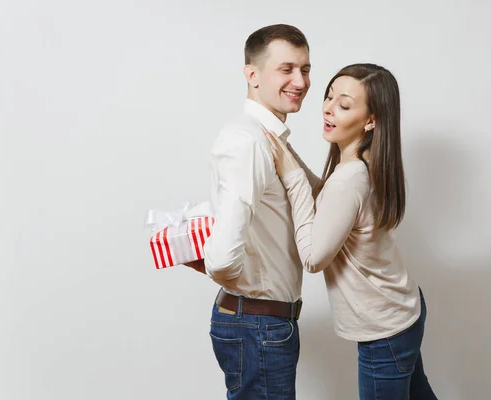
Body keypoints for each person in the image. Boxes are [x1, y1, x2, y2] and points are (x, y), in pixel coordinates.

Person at [266, 63, 438, 400]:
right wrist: (287, 155)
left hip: (385, 329)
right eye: (329, 97)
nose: (328, 108)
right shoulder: (363, 163)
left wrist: (289, 175)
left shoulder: (351, 178)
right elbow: (327, 200)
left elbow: (313, 258)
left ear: (371, 120)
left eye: (344, 105)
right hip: (402, 310)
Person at [185, 24, 311, 399]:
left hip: (262, 323)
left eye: (305, 69)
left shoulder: (267, 138)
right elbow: (222, 258)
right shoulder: (249, 141)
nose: (301, 81)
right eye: (286, 69)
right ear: (252, 74)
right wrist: (245, 288)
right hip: (258, 323)